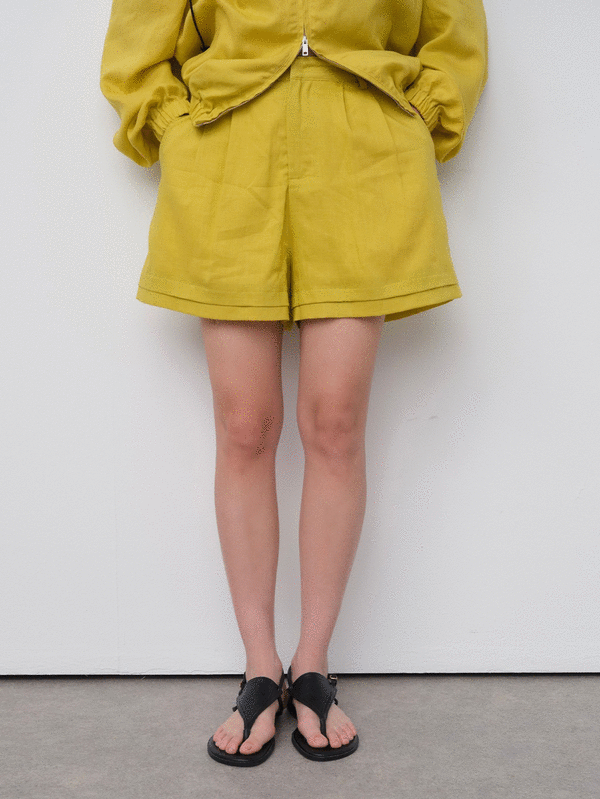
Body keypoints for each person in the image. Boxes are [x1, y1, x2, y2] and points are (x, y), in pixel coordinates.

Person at [100, 0, 488, 766]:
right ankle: (257, 666)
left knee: (335, 424)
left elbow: (454, 33)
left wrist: (418, 114)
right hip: (227, 156)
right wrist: (175, 126)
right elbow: (137, 43)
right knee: (245, 427)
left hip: (363, 159)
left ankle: (312, 664)